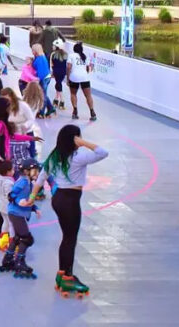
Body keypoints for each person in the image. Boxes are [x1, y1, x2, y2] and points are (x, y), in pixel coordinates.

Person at [31, 125, 108, 296]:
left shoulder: (55, 156)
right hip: (70, 201)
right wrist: (83, 142)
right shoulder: (79, 155)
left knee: (67, 237)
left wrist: (31, 197)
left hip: (59, 199)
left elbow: (41, 177)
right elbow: (103, 152)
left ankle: (62, 274)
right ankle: (67, 277)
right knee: (70, 238)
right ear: (75, 138)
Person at [0, 98, 39, 240]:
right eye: (8, 108)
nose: (10, 110)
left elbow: (11, 137)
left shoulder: (1, 124)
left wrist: (29, 138)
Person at [0, 158, 43, 279]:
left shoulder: (28, 182)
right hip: (16, 213)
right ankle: (19, 262)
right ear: (27, 171)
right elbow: (11, 194)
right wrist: (19, 201)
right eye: (35, 171)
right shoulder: (22, 181)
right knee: (27, 239)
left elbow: (27, 199)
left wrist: (34, 208)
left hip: (18, 213)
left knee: (17, 238)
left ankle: (7, 259)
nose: (37, 174)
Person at [67, 42, 96, 121]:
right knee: (88, 95)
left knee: (73, 94)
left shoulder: (71, 55)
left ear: (74, 49)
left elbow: (69, 67)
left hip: (74, 77)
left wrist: (68, 78)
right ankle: (92, 112)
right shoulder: (84, 56)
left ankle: (75, 111)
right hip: (84, 77)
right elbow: (87, 69)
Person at [0, 160, 16, 252]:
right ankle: (12, 243)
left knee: (5, 222)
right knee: (12, 224)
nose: (14, 171)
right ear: (8, 172)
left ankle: (3, 241)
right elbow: (10, 195)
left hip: (0, 204)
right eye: (12, 169)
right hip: (7, 206)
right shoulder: (8, 183)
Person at [30, 44, 56, 118]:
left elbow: (41, 72)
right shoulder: (40, 57)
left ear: (36, 51)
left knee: (42, 95)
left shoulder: (40, 59)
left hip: (43, 78)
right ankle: (50, 108)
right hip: (46, 77)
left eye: (33, 50)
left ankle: (41, 112)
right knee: (43, 94)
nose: (32, 51)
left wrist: (37, 80)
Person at [50, 40, 68, 110]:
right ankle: (56, 100)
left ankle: (62, 101)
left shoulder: (53, 54)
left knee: (58, 84)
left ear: (57, 46)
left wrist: (52, 72)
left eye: (53, 45)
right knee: (58, 84)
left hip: (56, 71)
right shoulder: (66, 54)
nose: (52, 47)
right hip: (63, 72)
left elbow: (52, 65)